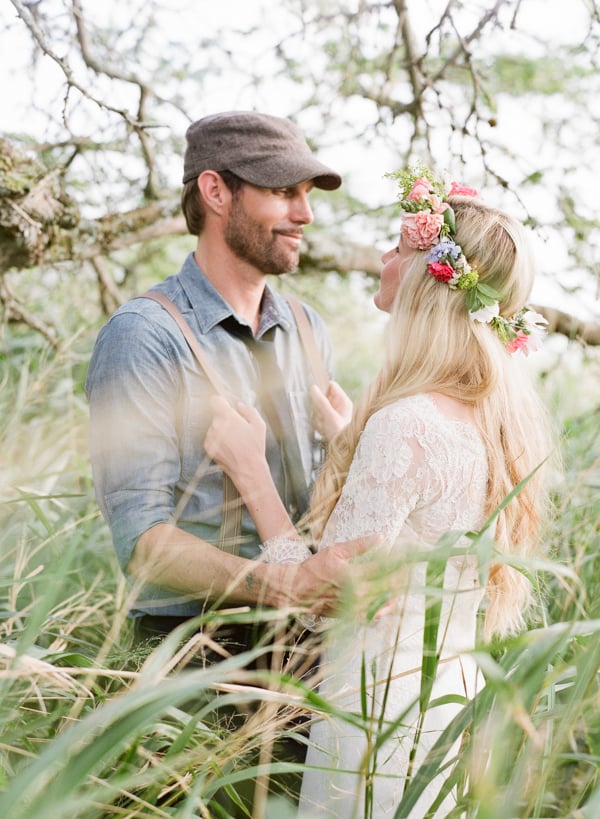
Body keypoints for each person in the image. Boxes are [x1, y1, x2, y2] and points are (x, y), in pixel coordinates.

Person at [203, 166, 555, 817]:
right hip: (441, 703)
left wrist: (252, 473)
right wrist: (349, 444)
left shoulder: (407, 422)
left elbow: (321, 599)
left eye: (399, 249)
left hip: (374, 715)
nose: (385, 260)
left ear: (430, 277)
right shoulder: (486, 418)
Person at [85, 110, 366, 649]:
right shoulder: (145, 335)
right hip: (196, 656)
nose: (305, 213)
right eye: (284, 191)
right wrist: (282, 585)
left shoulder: (309, 330)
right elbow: (143, 545)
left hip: (314, 649)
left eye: (307, 194)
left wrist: (348, 451)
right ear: (216, 191)